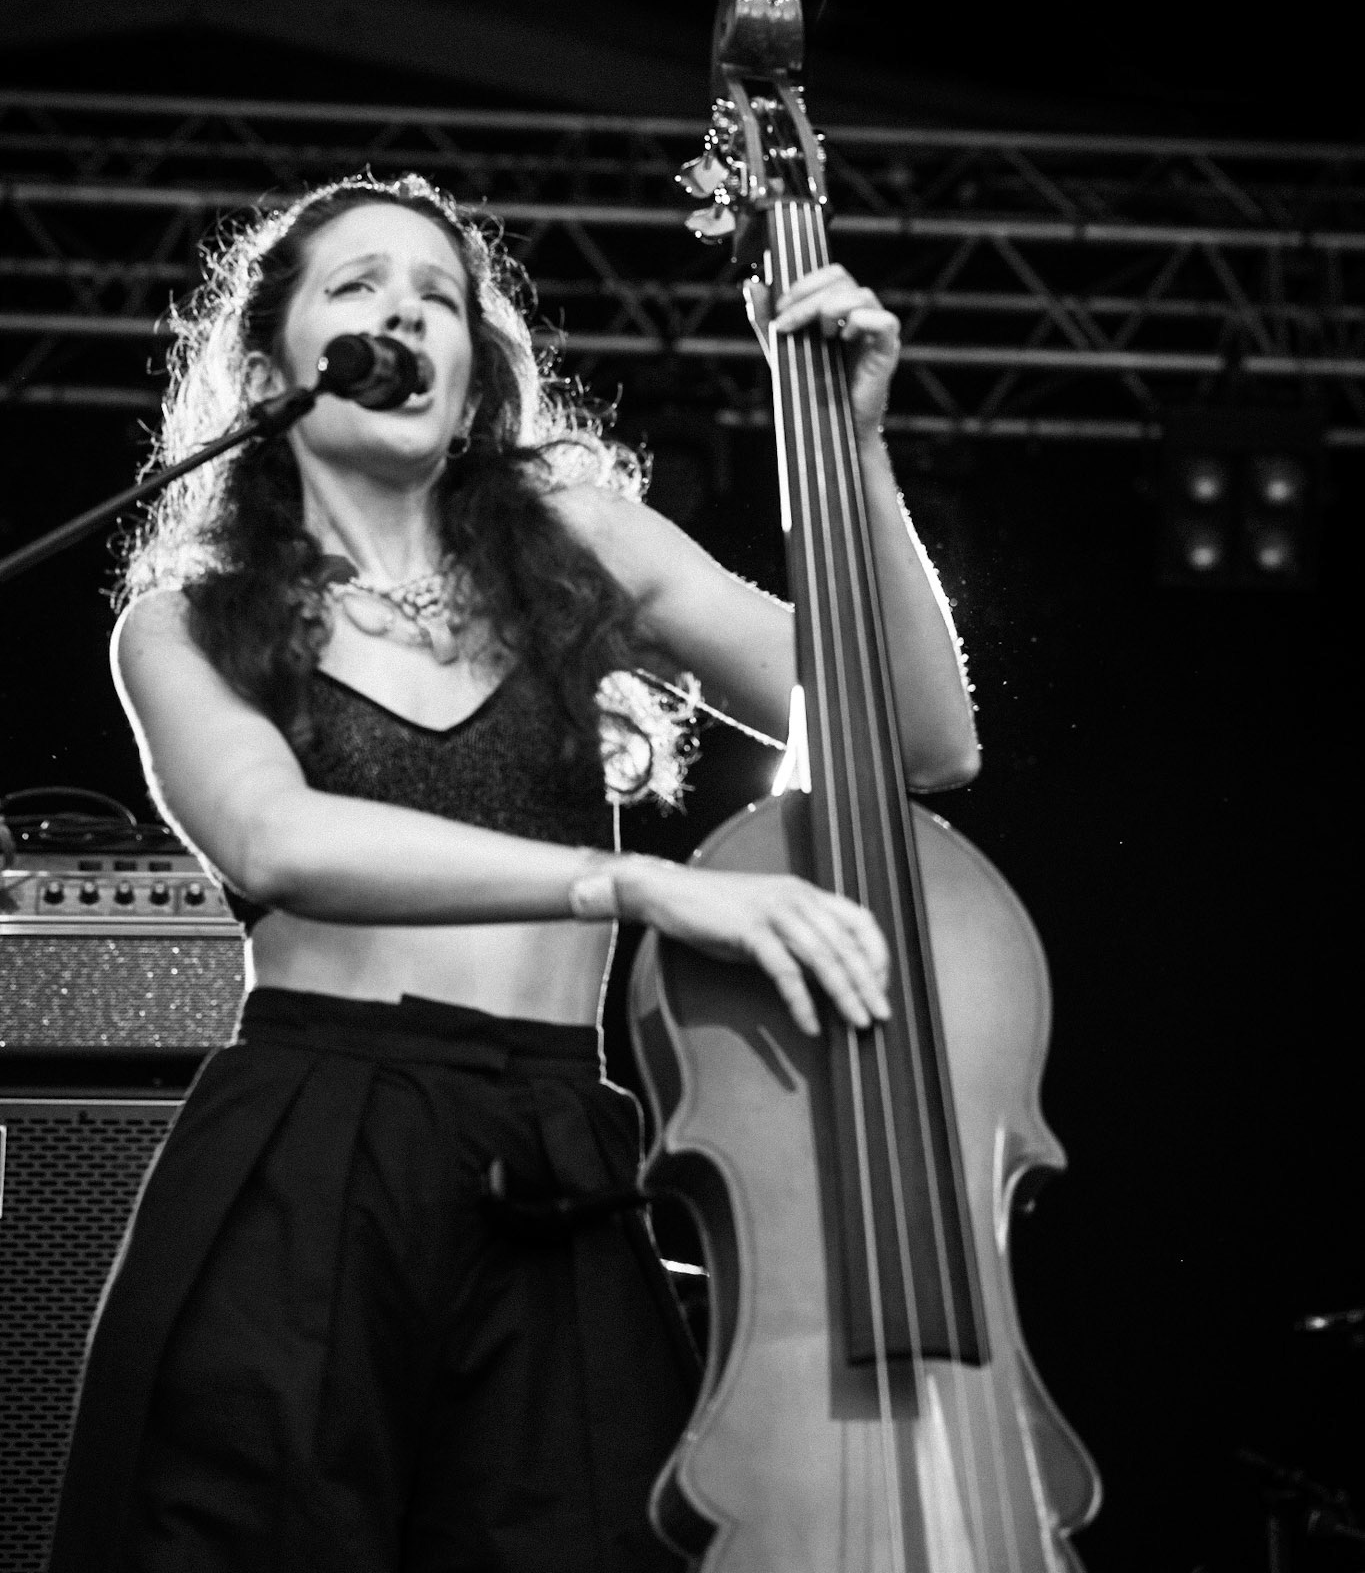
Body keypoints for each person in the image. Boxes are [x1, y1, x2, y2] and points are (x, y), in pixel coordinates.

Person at [48, 172, 979, 1573]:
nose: (405, 315)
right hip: (313, 1144)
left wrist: (853, 454)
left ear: (473, 365)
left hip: (554, 1159)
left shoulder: (576, 545)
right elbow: (272, 840)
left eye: (439, 297)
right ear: (276, 366)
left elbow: (917, 736)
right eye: (359, 288)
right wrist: (627, 885)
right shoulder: (183, 623)